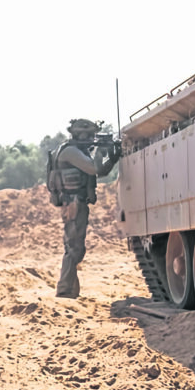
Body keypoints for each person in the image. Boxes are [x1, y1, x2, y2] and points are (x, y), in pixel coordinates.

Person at [53, 118, 120, 299]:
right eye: (89, 135)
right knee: (74, 248)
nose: (91, 139)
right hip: (73, 203)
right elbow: (93, 168)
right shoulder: (70, 152)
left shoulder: (79, 152)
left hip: (77, 203)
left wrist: (112, 155)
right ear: (79, 135)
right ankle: (65, 290)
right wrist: (101, 150)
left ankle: (70, 290)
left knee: (76, 247)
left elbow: (101, 171)